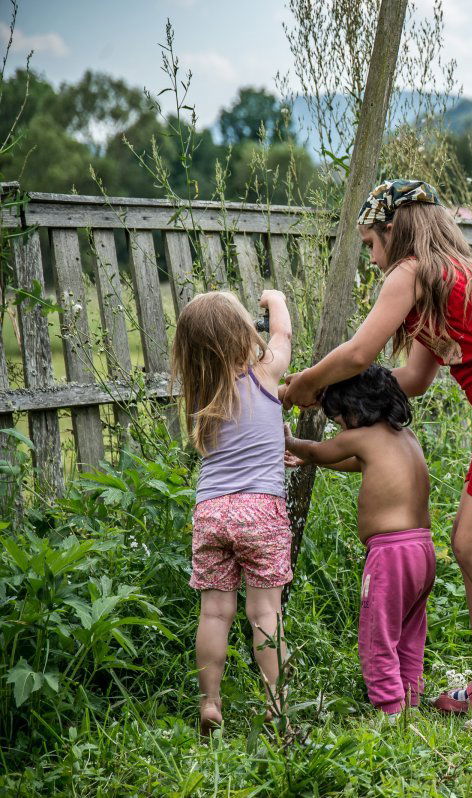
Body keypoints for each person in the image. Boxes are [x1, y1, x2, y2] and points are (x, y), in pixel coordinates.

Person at [281, 179, 472, 726]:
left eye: (371, 243)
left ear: (394, 230)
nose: (372, 258)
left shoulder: (412, 271)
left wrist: (307, 382)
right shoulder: (438, 285)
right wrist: (338, 391)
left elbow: (361, 350)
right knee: (471, 544)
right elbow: (413, 379)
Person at [171, 289, 293, 735]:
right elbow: (282, 332)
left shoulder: (200, 393)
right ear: (243, 333)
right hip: (260, 509)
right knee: (265, 614)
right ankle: (276, 704)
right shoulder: (266, 371)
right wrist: (273, 298)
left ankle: (210, 702)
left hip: (211, 511)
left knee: (214, 614)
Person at [284, 364, 435, 714]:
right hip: (422, 551)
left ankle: (388, 708)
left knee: (377, 634)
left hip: (390, 553)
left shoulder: (361, 436)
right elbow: (355, 463)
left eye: (340, 419)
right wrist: (306, 459)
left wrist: (291, 443)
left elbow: (324, 451)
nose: (340, 426)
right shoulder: (404, 438)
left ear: (356, 408)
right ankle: (410, 698)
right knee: (410, 631)